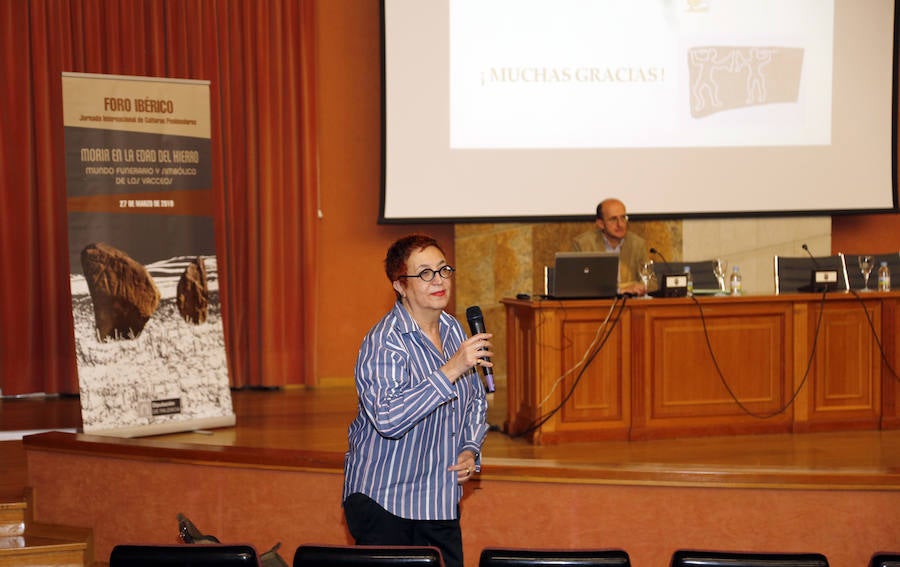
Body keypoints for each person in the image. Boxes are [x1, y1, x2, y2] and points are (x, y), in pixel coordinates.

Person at [342, 234, 491, 567]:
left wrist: (469, 448)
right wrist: (451, 368)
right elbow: (388, 418)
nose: (438, 280)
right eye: (424, 273)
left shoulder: (454, 330)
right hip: (386, 501)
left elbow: (476, 403)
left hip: (438, 499)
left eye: (443, 270)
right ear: (400, 285)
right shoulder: (384, 342)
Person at [573, 198, 649, 295]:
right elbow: (577, 285)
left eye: (623, 218)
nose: (620, 224)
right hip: (597, 305)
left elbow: (650, 282)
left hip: (630, 305)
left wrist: (640, 287)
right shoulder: (583, 244)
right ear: (600, 224)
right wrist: (620, 290)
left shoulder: (637, 244)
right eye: (613, 219)